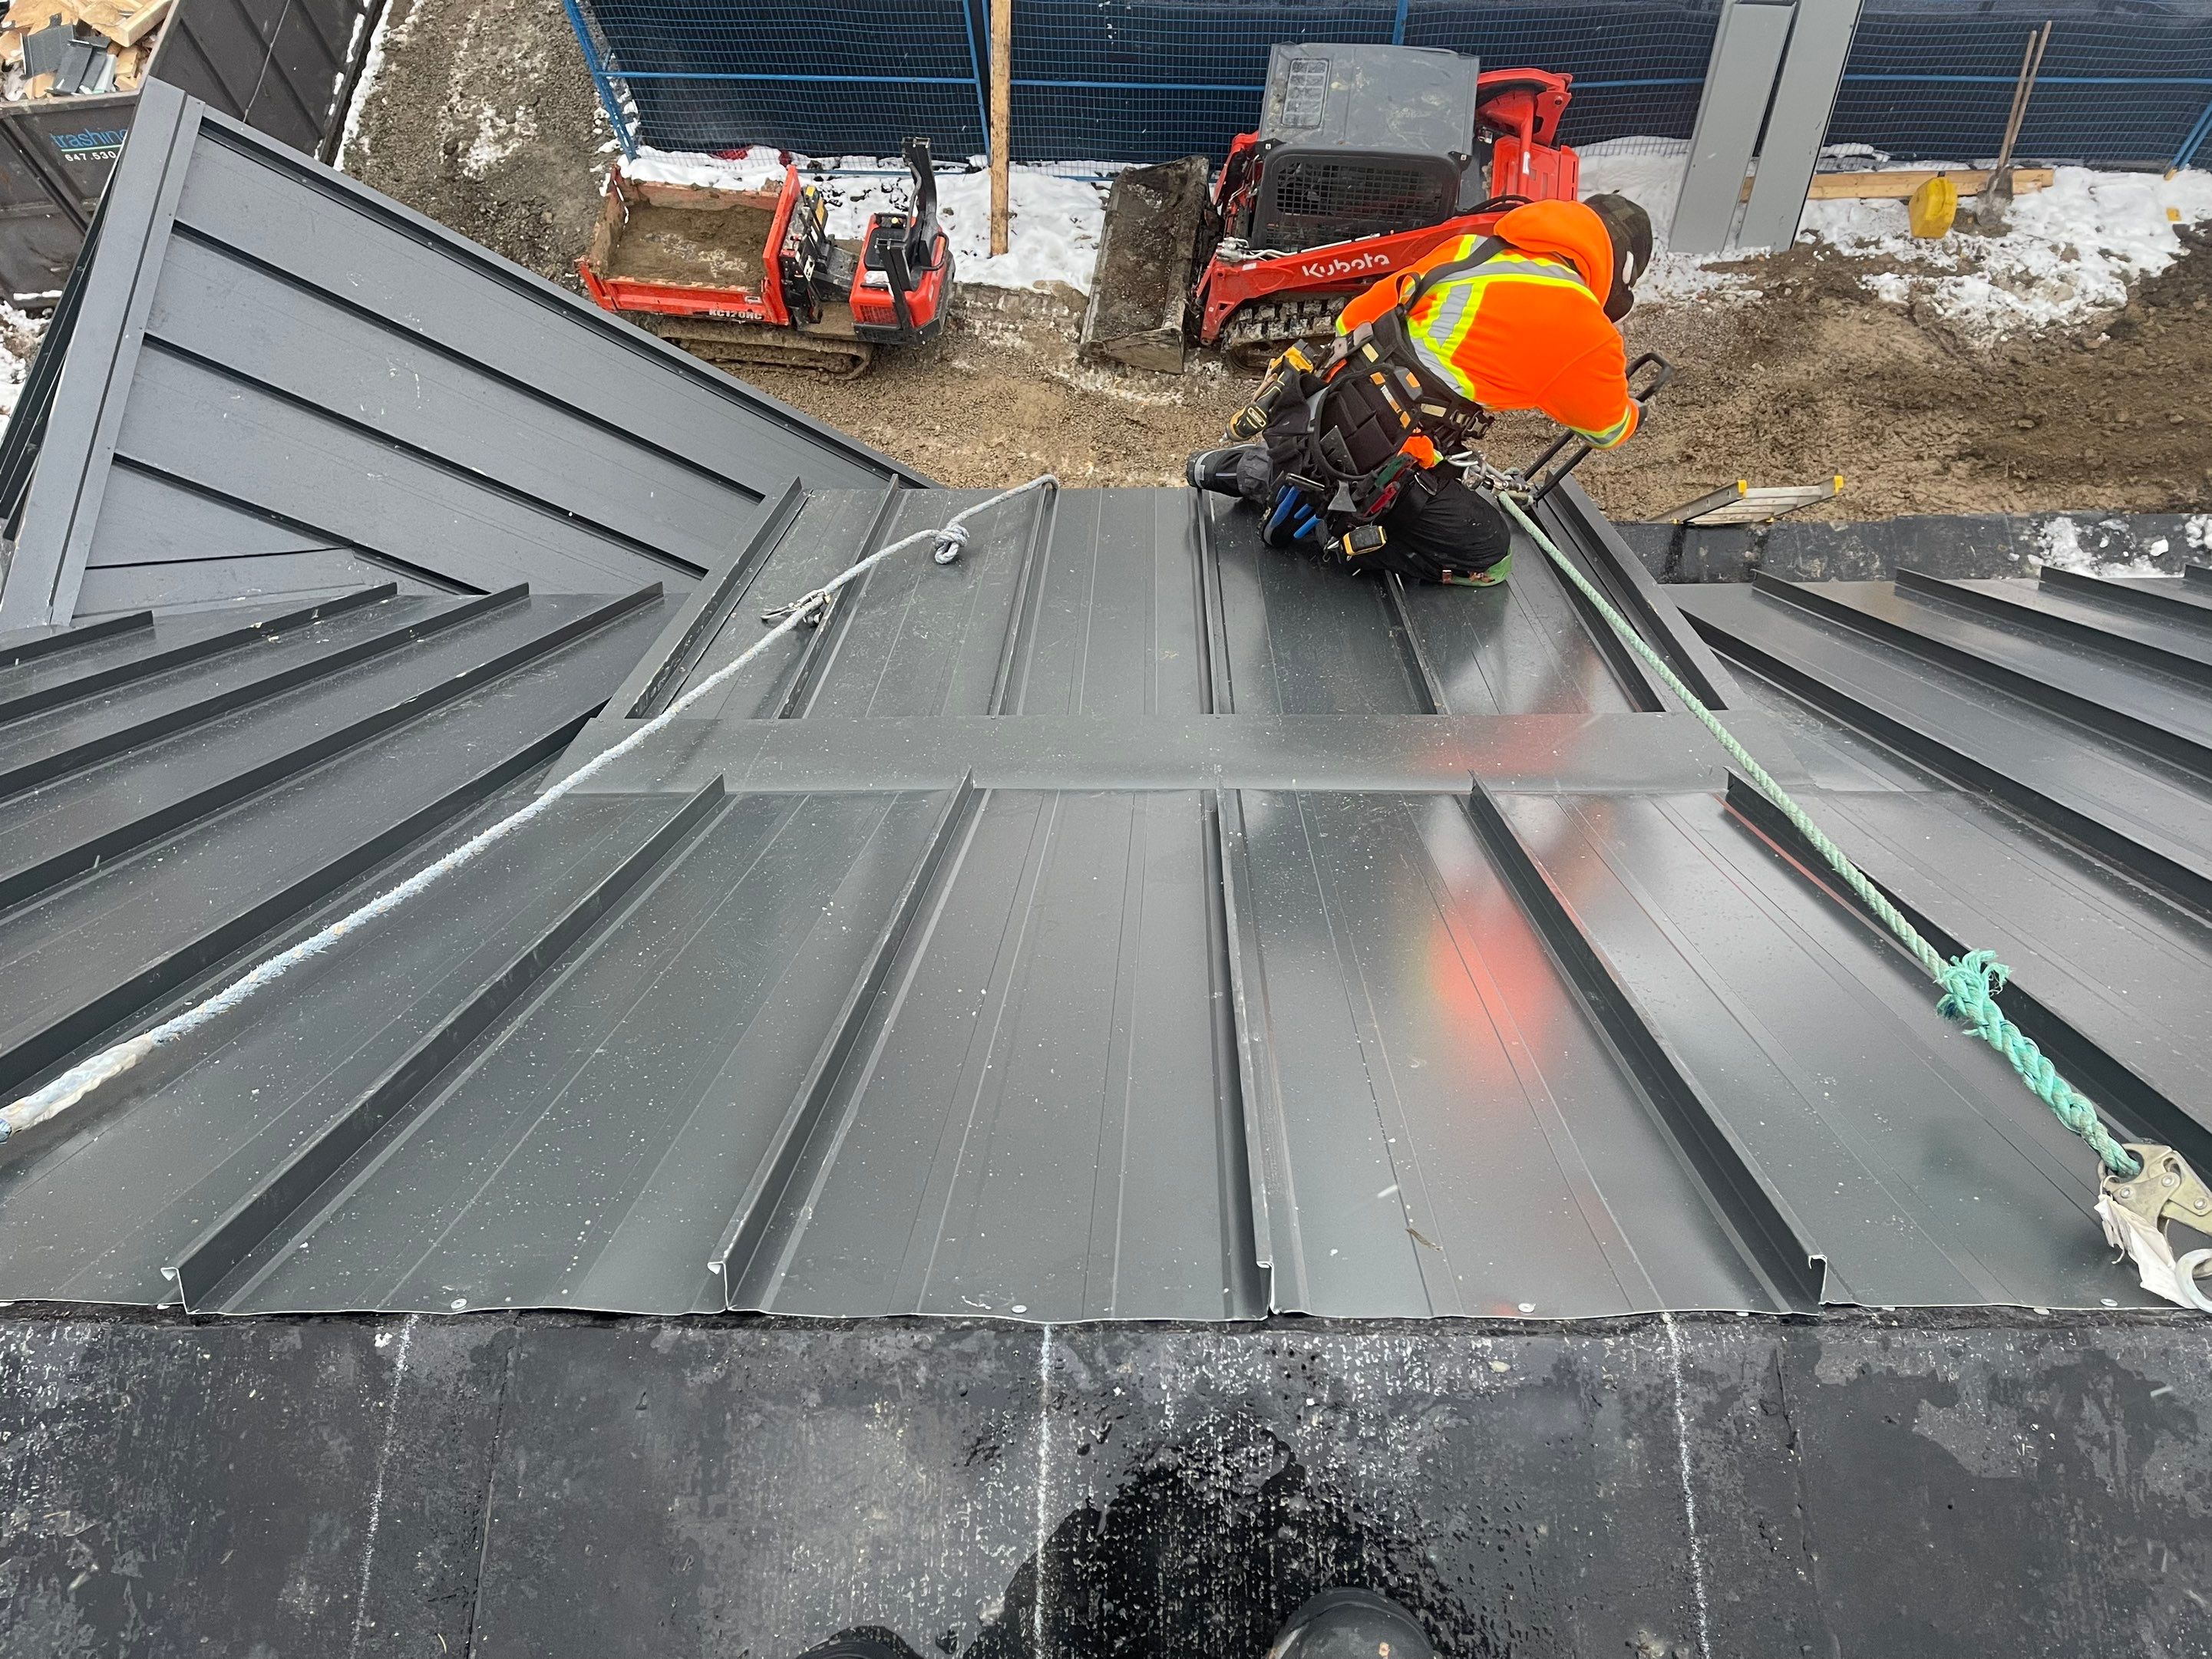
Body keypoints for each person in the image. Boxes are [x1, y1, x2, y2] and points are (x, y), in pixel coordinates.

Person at [1188, 193, 1654, 588]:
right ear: (1613, 275)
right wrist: (1635, 411)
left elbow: (1353, 320)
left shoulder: (1471, 250)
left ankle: (1234, 469)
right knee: (1490, 554)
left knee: (1364, 453)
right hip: (1383, 462)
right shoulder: (1587, 331)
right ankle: (1339, 537)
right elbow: (1607, 429)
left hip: (1320, 411)